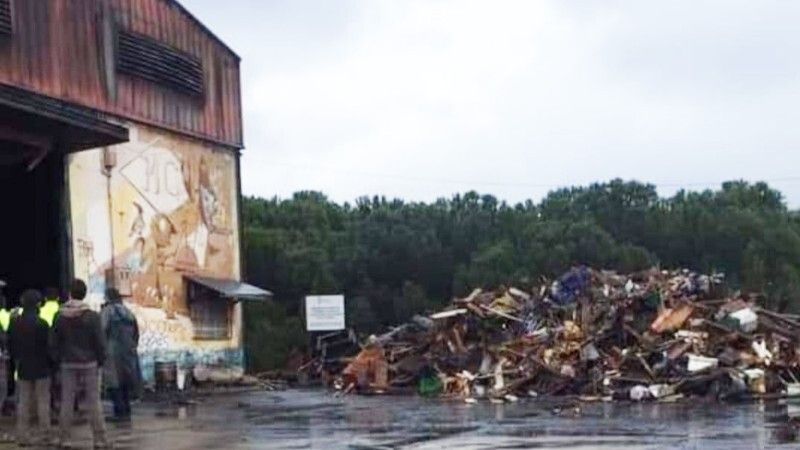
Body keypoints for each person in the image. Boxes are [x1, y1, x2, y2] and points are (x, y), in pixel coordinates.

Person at [52, 279, 110, 448]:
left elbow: (54, 341)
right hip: (90, 363)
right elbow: (100, 342)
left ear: (70, 292)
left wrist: (58, 359)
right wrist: (101, 359)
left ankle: (65, 439)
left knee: (67, 402)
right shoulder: (92, 317)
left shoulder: (60, 316)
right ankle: (100, 439)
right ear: (84, 294)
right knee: (94, 402)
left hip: (67, 363)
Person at [9, 289, 54, 446]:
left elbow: (11, 346)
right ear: (38, 304)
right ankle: (45, 435)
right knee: (43, 402)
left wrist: (16, 361)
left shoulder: (14, 323)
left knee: (24, 402)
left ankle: (22, 436)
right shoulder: (43, 324)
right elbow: (49, 347)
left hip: (23, 367)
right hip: (42, 367)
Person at [100, 288, 141, 422]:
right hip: (128, 352)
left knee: (114, 383)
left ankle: (119, 412)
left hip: (112, 352)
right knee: (125, 381)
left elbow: (101, 331)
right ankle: (126, 410)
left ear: (108, 297)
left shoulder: (107, 312)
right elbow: (136, 334)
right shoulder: (129, 313)